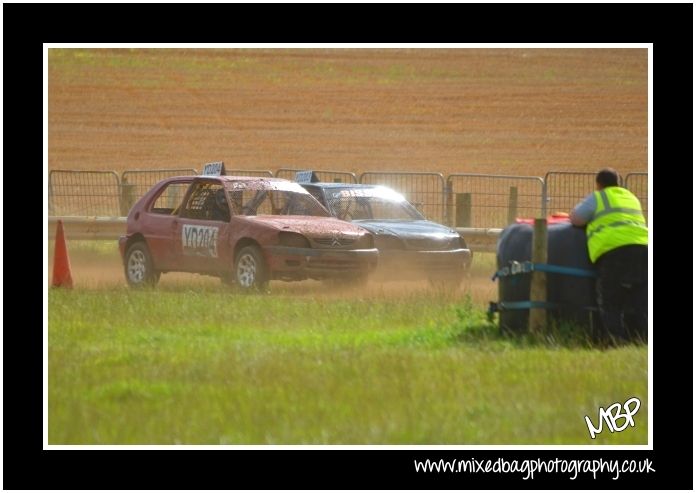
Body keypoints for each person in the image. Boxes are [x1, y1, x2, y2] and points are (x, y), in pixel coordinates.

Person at [570, 168, 648, 343]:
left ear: (599, 184)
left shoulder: (598, 197)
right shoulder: (631, 197)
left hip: (615, 251)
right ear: (618, 182)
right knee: (642, 299)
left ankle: (617, 340)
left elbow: (576, 218)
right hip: (643, 249)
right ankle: (644, 340)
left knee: (610, 299)